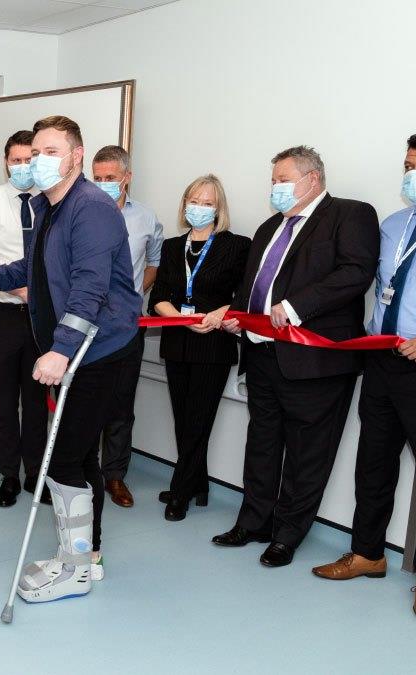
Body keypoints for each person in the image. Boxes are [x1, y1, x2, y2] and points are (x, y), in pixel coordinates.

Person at [0, 115, 141, 601]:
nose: (39, 161)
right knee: (78, 458)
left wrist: (60, 349)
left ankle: (75, 568)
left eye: (51, 150)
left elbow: (89, 289)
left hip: (97, 350)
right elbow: (28, 269)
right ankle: (87, 555)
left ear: (77, 155)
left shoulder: (92, 209)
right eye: (35, 152)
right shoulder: (46, 207)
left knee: (62, 460)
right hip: (75, 347)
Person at [313, 129, 416, 623]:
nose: (414, 175)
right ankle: (367, 553)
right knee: (373, 463)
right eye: (409, 166)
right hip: (381, 361)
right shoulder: (394, 225)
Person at [214, 146, 379, 568]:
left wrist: (295, 306)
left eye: (282, 180)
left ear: (312, 179)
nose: (276, 189)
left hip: (315, 360)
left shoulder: (350, 214)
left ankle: (287, 535)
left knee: (308, 454)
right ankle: (253, 522)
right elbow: (254, 286)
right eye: (273, 181)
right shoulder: (272, 226)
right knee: (262, 444)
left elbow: (355, 273)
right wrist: (238, 316)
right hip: (263, 354)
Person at [147, 175, 249, 521]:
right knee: (183, 419)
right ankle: (198, 483)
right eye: (194, 200)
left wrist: (219, 315)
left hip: (213, 345)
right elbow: (158, 297)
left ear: (218, 209)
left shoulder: (236, 246)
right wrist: (180, 319)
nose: (199, 208)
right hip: (177, 342)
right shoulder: (172, 247)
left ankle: (180, 489)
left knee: (198, 420)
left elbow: (245, 296)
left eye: (207, 203)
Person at [0, 130, 47, 507]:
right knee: (4, 401)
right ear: (5, 162)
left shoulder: (52, 202)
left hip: (40, 319)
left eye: (29, 160)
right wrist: (22, 291)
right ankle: (9, 475)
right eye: (15, 160)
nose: (22, 167)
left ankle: (36, 474)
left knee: (36, 401)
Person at [90, 145, 163, 508]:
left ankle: (114, 476)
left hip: (126, 328)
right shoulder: (80, 214)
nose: (103, 184)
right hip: (85, 324)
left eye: (110, 179)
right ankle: (81, 472)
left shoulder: (146, 219)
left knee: (121, 404)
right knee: (85, 401)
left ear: (127, 178)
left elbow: (153, 262)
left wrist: (134, 296)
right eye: (97, 178)